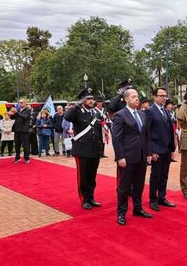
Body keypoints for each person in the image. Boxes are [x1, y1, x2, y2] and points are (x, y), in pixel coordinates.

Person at [112, 88, 152, 226]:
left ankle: (138, 208)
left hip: (141, 156)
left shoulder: (142, 114)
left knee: (139, 184)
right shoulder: (120, 115)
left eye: (137, 96)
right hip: (127, 157)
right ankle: (121, 213)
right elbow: (116, 138)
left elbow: (146, 136)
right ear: (126, 99)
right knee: (124, 187)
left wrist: (147, 154)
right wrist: (120, 157)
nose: (137, 99)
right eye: (133, 96)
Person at [64, 89, 103, 210]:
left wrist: (100, 148)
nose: (91, 101)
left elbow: (98, 131)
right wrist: (76, 105)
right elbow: (67, 116)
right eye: (88, 99)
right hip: (82, 149)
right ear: (82, 100)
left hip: (94, 149)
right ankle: (84, 199)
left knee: (92, 176)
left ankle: (91, 197)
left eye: (92, 99)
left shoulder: (95, 114)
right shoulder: (77, 112)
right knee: (83, 176)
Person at [146, 87, 176, 212]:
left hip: (167, 149)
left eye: (165, 96)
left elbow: (170, 130)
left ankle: (162, 197)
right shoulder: (150, 111)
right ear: (154, 97)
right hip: (156, 150)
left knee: (164, 175)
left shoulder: (166, 111)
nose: (164, 98)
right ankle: (153, 199)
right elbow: (147, 133)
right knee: (155, 175)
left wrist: (172, 148)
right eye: (161, 95)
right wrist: (151, 151)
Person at [9, 98, 31, 164]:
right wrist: (11, 114)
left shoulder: (28, 110)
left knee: (25, 145)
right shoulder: (18, 110)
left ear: (25, 103)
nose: (20, 104)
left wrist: (16, 112)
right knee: (17, 145)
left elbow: (25, 117)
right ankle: (17, 157)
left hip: (24, 130)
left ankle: (26, 158)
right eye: (19, 103)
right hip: (17, 129)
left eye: (21, 102)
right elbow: (13, 118)